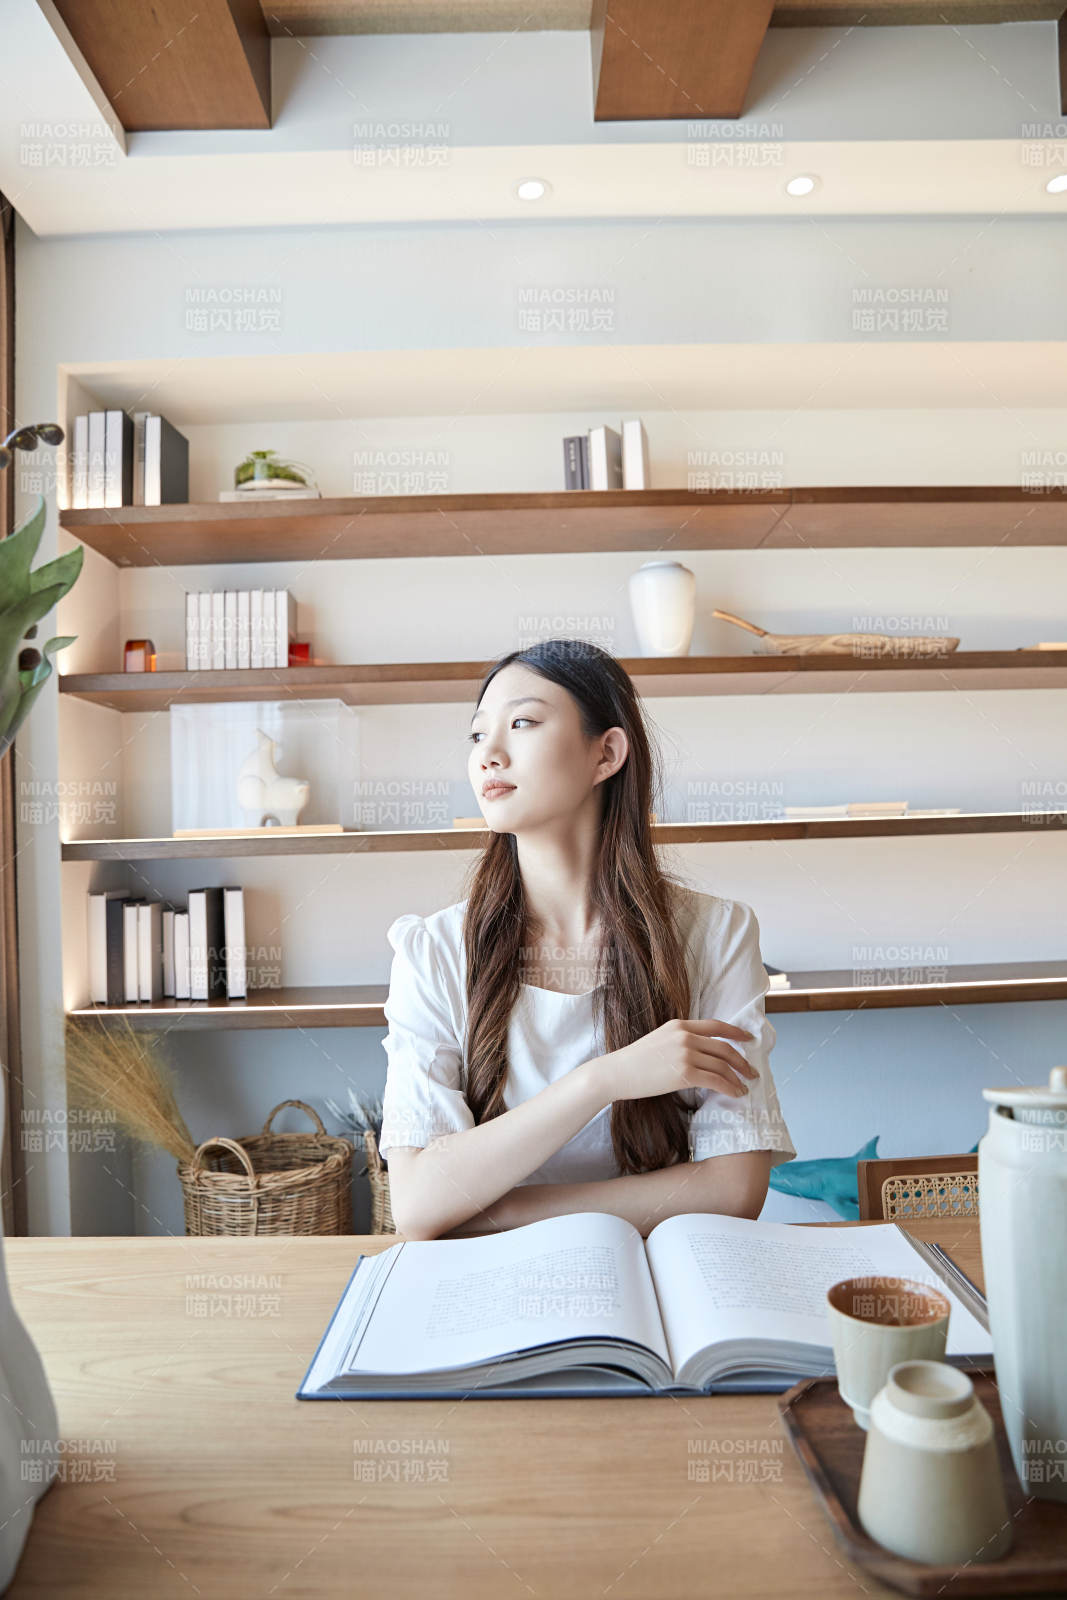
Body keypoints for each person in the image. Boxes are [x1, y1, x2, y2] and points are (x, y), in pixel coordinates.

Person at [379, 638, 796, 1240]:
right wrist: (603, 1080)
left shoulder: (715, 933)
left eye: (521, 722)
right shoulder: (434, 951)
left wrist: (491, 1213)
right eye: (476, 736)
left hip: (659, 1284)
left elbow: (734, 1189)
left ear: (606, 754)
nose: (488, 755)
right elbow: (417, 1204)